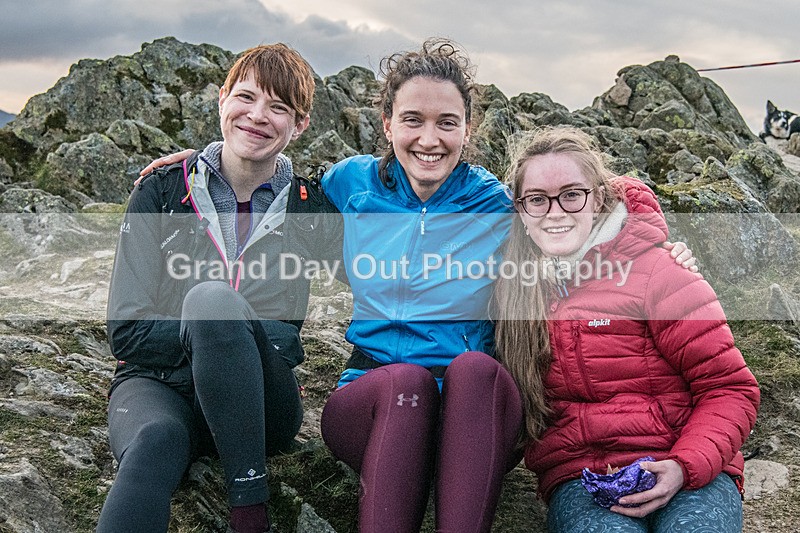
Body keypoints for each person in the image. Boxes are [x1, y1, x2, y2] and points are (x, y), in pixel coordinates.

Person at [138, 40, 697, 533]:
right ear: (387, 124)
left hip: (474, 417)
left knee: (477, 370)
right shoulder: (350, 186)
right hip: (377, 403)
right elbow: (270, 178)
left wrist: (657, 244)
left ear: (467, 129)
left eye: (446, 123)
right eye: (412, 120)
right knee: (404, 379)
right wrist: (201, 164)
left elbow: (591, 197)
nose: (429, 139)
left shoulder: (498, 205)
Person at [101, 44, 341, 533]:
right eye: (246, 98)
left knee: (210, 300)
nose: (257, 116)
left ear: (301, 125)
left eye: (279, 108)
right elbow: (126, 330)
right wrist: (215, 341)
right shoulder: (163, 190)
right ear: (221, 98)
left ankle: (249, 510)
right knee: (154, 442)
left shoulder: (311, 208)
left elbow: (383, 273)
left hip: (265, 401)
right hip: (157, 387)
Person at [492, 126, 760, 532]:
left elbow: (729, 388)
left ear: (598, 198)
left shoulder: (658, 272)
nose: (555, 212)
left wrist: (684, 465)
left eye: (571, 194)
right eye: (537, 200)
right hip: (584, 480)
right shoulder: (512, 291)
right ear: (521, 209)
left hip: (689, 467)